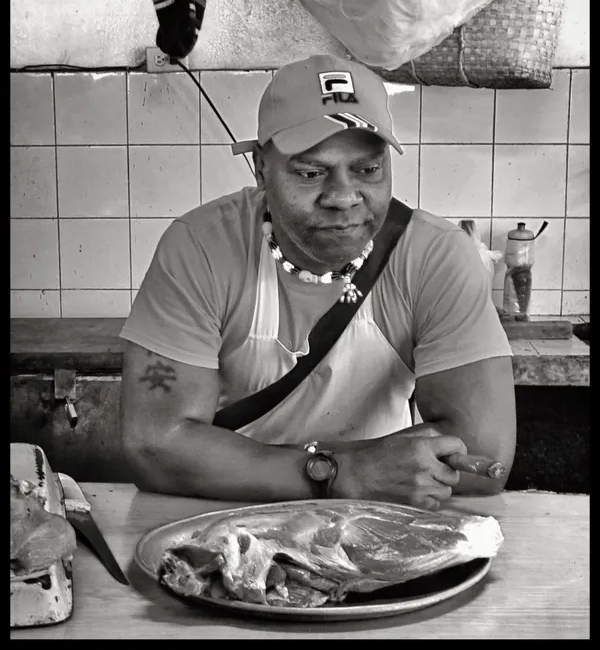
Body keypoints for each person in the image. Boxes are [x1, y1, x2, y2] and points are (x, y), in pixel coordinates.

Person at [119, 54, 516, 511]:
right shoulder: (200, 249)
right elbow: (153, 446)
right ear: (260, 169)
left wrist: (236, 461)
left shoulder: (435, 256)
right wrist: (345, 473)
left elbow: (485, 457)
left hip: (381, 518)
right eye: (310, 173)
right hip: (225, 517)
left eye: (367, 170)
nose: (343, 197)